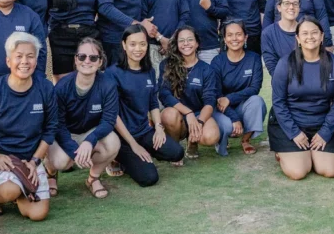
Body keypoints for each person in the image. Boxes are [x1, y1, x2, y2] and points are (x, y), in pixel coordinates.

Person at [0, 32, 56, 221]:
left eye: (30, 56)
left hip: (28, 159)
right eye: (18, 56)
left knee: (38, 214)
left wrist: (34, 162)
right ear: (8, 61)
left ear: (36, 60)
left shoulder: (45, 89)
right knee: (9, 191)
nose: (24, 61)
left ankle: (19, 187)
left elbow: (50, 128)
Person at [270, 16, 334, 180]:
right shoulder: (285, 64)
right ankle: (285, 150)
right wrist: (294, 133)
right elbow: (278, 102)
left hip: (321, 124)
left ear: (321, 36)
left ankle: (309, 151)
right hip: (291, 125)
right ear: (297, 38)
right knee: (298, 172)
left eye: (314, 33)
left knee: (329, 171)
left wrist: (326, 132)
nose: (310, 37)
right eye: (304, 33)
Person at [109, 24, 185, 186]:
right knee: (149, 178)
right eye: (133, 44)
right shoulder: (113, 74)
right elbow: (113, 115)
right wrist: (133, 144)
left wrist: (158, 127)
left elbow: (152, 103)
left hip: (144, 132)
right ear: (124, 45)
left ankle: (143, 154)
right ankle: (119, 157)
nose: (138, 49)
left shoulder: (149, 70)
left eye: (143, 44)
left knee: (177, 152)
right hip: (122, 138)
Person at [49, 38, 122, 199]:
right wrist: (74, 152)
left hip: (90, 132)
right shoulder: (62, 86)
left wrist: (90, 140)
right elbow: (57, 125)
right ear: (75, 60)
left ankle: (93, 178)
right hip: (65, 134)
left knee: (113, 143)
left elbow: (109, 120)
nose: (87, 61)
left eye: (93, 57)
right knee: (61, 162)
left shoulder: (108, 85)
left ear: (100, 61)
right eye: (82, 57)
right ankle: (51, 174)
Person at [159, 26, 221, 160]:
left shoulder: (207, 69)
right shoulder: (167, 65)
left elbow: (210, 101)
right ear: (177, 44)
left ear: (197, 43)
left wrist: (199, 122)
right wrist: (188, 113)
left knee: (211, 136)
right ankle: (175, 149)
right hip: (178, 114)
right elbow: (164, 94)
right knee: (168, 114)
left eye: (190, 40)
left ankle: (192, 141)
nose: (186, 43)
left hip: (199, 113)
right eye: (181, 40)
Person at [210, 21, 267, 156]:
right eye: (229, 35)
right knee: (227, 125)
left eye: (238, 34)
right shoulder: (217, 61)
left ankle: (246, 140)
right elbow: (217, 96)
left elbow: (254, 88)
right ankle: (221, 138)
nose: (234, 39)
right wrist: (234, 118)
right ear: (224, 39)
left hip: (241, 105)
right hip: (221, 109)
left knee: (257, 101)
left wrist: (229, 98)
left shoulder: (254, 58)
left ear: (246, 37)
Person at [261, 0, 302, 76]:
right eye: (287, 3)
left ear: (299, 8)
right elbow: (272, 67)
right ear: (279, 7)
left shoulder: (306, 31)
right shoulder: (268, 33)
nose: (291, 7)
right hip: (281, 82)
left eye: (295, 4)